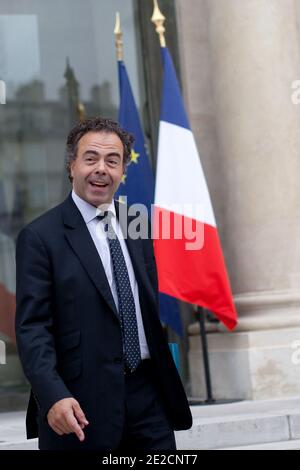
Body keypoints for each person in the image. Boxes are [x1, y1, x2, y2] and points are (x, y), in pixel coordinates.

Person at [15, 117, 192, 451]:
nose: (101, 169)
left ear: (123, 170)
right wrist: (53, 395)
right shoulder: (40, 237)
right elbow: (32, 328)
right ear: (72, 166)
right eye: (91, 158)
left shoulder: (137, 224)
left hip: (149, 399)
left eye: (113, 161)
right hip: (80, 406)